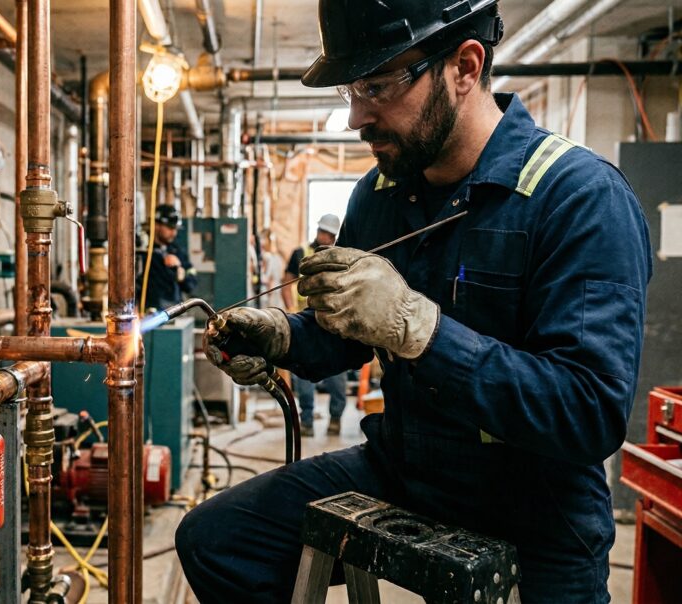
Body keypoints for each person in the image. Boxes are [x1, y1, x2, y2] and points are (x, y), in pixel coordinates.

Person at [175, 1, 651, 602]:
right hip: (404, 472)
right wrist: (283, 336)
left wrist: (421, 331)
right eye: (353, 88)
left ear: (465, 67)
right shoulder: (378, 194)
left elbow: (589, 414)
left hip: (535, 511)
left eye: (377, 85)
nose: (355, 118)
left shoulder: (579, 198)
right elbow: (347, 335)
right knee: (218, 539)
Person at [281, 215, 348, 437]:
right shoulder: (300, 253)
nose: (325, 238)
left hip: (333, 325)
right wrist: (291, 310)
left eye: (330, 235)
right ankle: (307, 420)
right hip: (306, 323)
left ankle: (335, 418)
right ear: (318, 231)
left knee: (337, 376)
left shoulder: (341, 256)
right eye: (323, 233)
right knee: (303, 377)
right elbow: (286, 283)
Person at [137, 204, 197, 312]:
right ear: (156, 225)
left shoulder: (177, 251)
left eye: (175, 229)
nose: (174, 232)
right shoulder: (142, 251)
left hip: (174, 311)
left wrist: (181, 275)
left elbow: (191, 284)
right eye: (170, 227)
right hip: (148, 313)